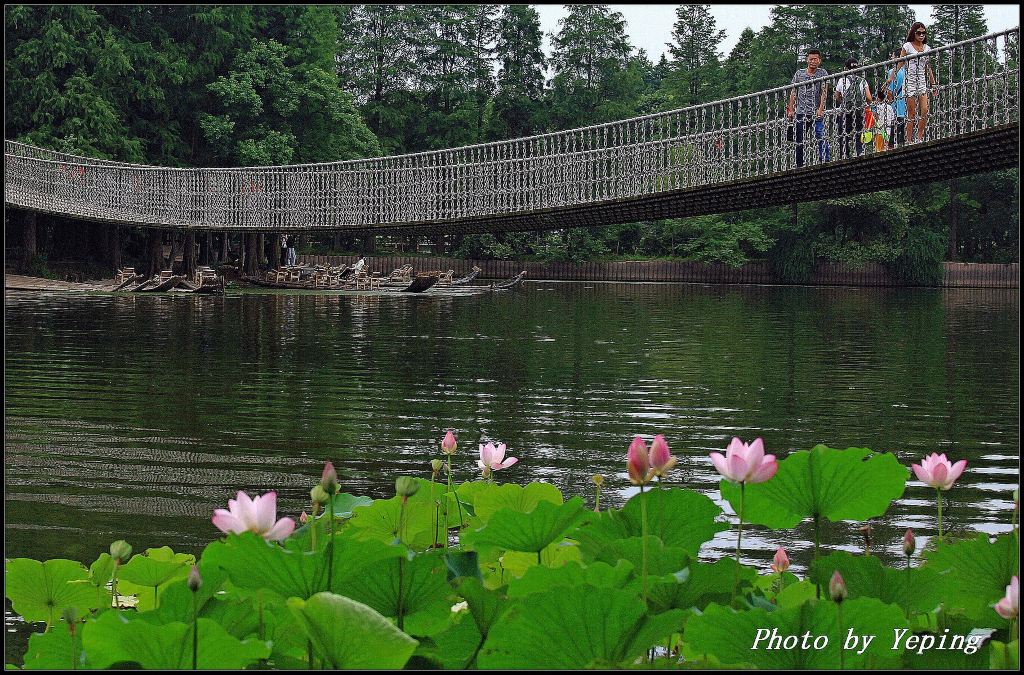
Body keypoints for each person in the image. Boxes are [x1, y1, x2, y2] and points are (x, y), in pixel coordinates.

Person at [886, 22, 938, 144]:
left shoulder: (927, 48)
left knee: (924, 109)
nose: (921, 35)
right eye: (919, 33)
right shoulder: (907, 46)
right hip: (909, 81)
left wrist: (933, 83)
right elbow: (900, 63)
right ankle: (909, 140)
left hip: (921, 80)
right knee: (912, 112)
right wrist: (891, 77)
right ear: (913, 33)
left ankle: (919, 137)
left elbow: (928, 67)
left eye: (923, 33)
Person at [787, 49, 830, 167]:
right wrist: (790, 109)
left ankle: (825, 159)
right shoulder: (799, 74)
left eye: (815, 59)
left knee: (820, 134)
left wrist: (821, 108)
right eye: (811, 59)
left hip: (816, 111)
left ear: (819, 60)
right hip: (801, 111)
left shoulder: (822, 73)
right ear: (807, 60)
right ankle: (799, 164)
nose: (813, 61)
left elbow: (824, 92)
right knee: (799, 139)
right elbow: (793, 92)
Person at [834, 57, 874, 159]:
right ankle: (859, 151)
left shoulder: (842, 80)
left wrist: (844, 102)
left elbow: (837, 96)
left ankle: (845, 154)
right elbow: (869, 98)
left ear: (845, 68)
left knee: (843, 132)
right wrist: (866, 104)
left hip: (845, 110)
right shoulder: (862, 81)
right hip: (859, 110)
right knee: (859, 130)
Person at [885, 49, 907, 148]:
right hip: (908, 108)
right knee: (905, 136)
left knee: (892, 138)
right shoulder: (908, 71)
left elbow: (890, 92)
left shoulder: (892, 72)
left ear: (898, 57)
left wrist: (890, 103)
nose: (891, 58)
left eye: (893, 56)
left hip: (897, 108)